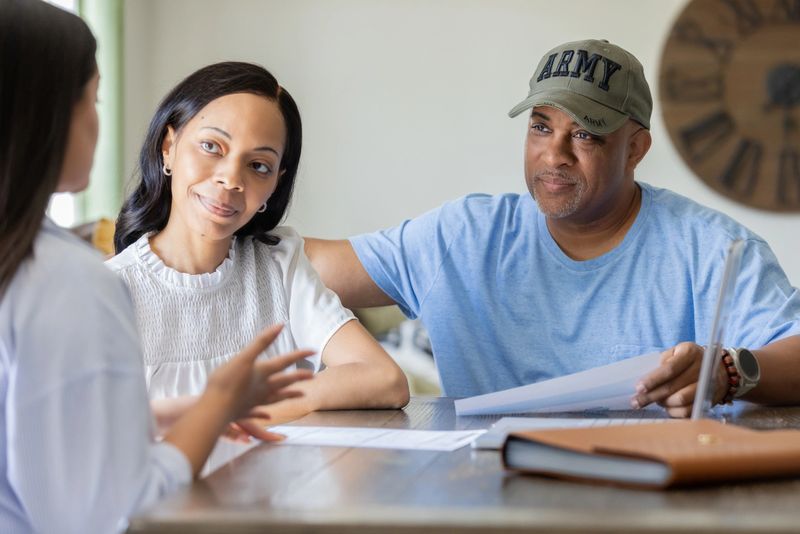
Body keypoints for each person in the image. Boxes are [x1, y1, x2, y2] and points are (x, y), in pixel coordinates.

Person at [305, 39, 800, 417]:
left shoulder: (712, 247)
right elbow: (304, 268)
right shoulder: (464, 237)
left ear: (636, 149)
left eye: (585, 134)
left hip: (650, 498)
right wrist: (254, 192)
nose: (554, 156)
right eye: (541, 127)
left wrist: (728, 372)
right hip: (483, 494)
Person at [0, 2, 316, 532]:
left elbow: (29, 430)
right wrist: (216, 404)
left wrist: (154, 418)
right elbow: (117, 511)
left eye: (258, 164)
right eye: (93, 99)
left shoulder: (33, 266)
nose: (230, 180)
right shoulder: (73, 282)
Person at [108, 62, 409, 433]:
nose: (231, 178)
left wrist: (235, 411)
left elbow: (384, 378)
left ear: (275, 185)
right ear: (168, 148)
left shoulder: (279, 266)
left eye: (259, 165)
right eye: (211, 147)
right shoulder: (107, 292)